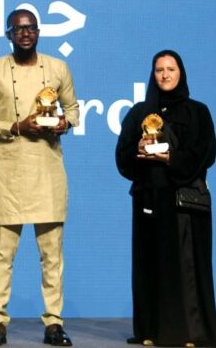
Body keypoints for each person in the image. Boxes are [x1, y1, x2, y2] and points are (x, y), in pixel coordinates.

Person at [0, 9, 79, 347]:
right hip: (9, 172)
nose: (25, 33)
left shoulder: (58, 68)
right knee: (2, 256)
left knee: (52, 255)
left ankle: (54, 323)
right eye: (18, 29)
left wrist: (63, 123)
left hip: (47, 170)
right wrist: (15, 126)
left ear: (39, 32)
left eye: (31, 28)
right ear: (9, 34)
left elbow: (73, 110)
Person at [116, 50, 216, 347]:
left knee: (185, 267)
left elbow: (206, 153)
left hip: (183, 201)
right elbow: (122, 158)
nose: (165, 75)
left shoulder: (197, 112)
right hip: (149, 199)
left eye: (171, 69)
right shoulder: (139, 113)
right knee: (150, 265)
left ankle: (191, 333)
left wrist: (171, 158)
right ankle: (150, 331)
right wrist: (139, 151)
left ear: (180, 73)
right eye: (159, 69)